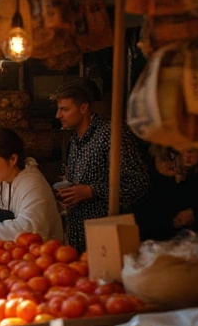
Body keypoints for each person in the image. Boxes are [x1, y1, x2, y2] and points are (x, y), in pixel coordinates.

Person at [52, 79, 150, 251]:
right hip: (78, 235)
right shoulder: (75, 139)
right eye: (59, 109)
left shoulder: (111, 134)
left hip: (107, 236)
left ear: (84, 108)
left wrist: (92, 191)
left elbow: (138, 182)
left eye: (64, 109)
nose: (58, 115)